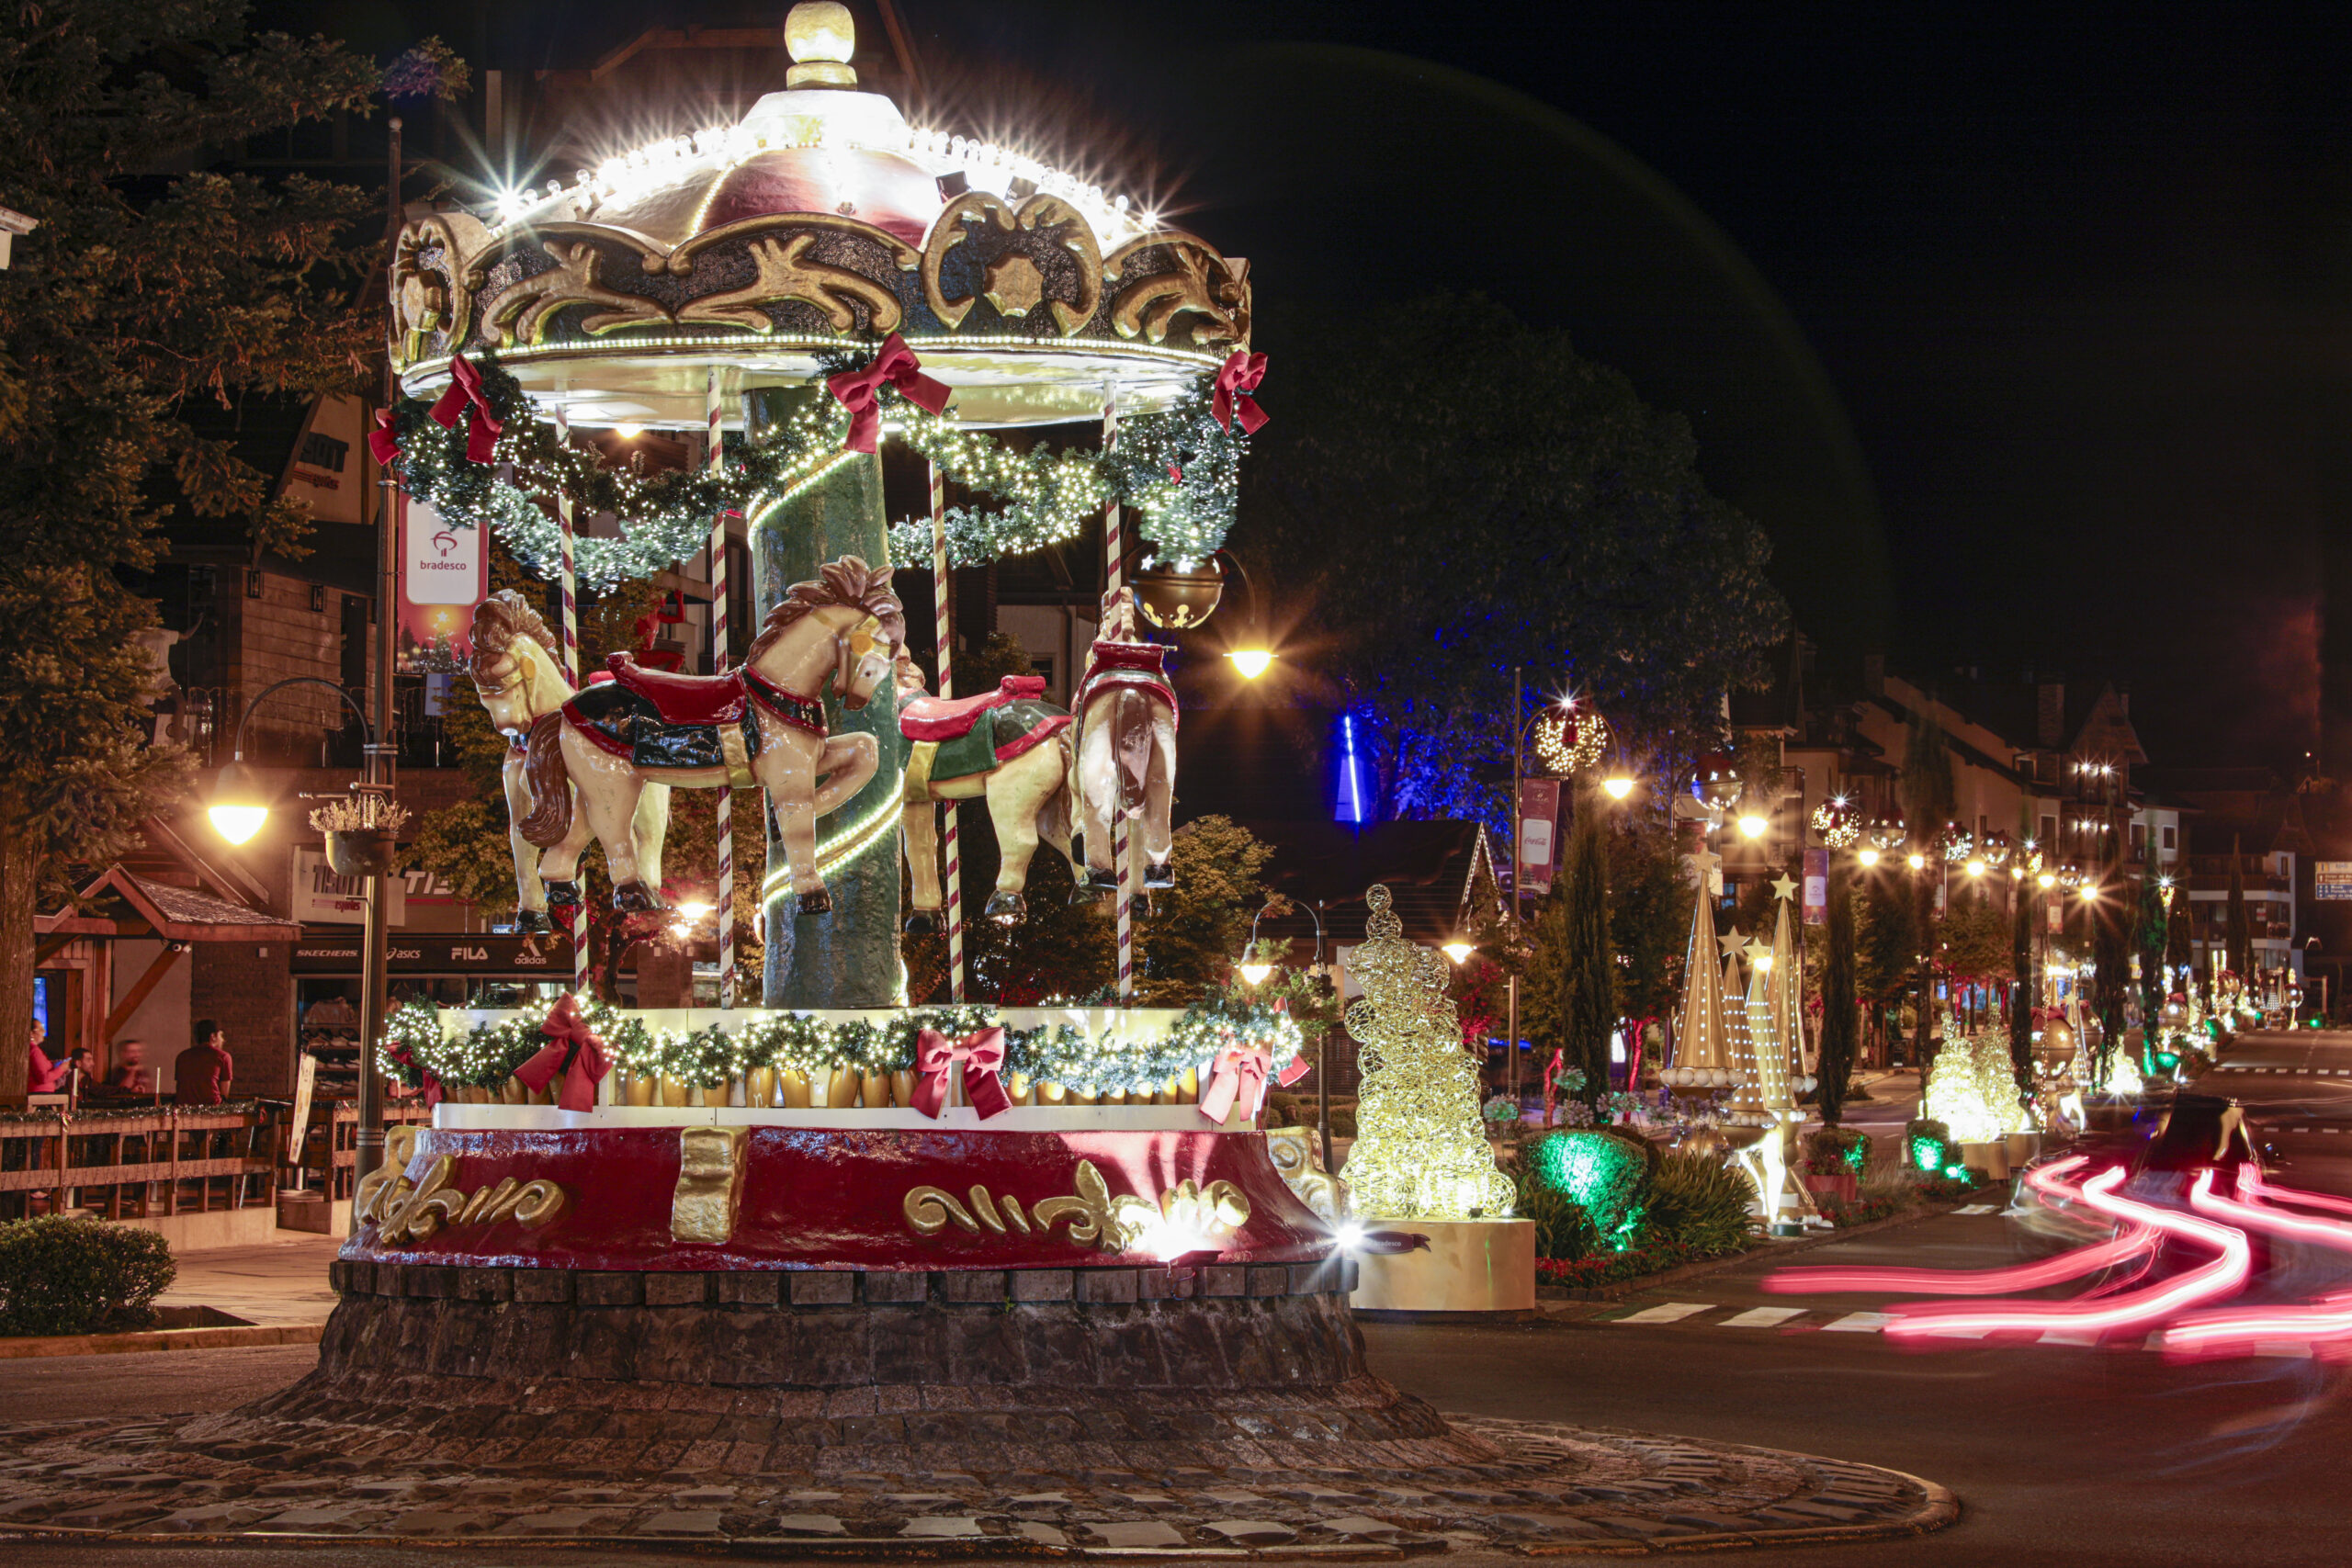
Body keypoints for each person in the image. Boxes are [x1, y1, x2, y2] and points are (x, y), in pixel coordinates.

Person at [173, 1020, 234, 1106]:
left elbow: (180, 1087)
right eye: (221, 1035)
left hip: (183, 1110)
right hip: (212, 1109)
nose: (223, 1040)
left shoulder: (182, 1056)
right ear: (213, 1036)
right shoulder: (223, 1056)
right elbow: (224, 1093)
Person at [26, 1020, 66, 1095]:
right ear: (31, 1033)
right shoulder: (34, 1051)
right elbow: (44, 1078)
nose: (44, 1031)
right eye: (40, 1029)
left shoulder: (33, 1050)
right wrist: (62, 1068)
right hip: (39, 1094)